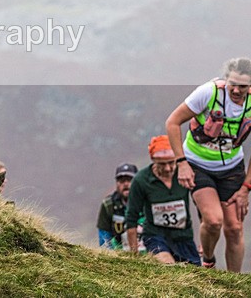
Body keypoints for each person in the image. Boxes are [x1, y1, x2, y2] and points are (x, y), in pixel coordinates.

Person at [165, 57, 251, 271]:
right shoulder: (208, 93)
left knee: (234, 228)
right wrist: (181, 163)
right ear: (226, 80)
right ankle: (208, 260)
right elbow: (173, 122)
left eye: (243, 86)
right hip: (197, 164)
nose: (237, 91)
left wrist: (246, 188)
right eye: (233, 84)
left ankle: (234, 283)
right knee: (213, 221)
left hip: (232, 169)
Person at [125, 135, 201, 266]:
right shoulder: (141, 180)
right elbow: (131, 218)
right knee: (168, 268)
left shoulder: (187, 173)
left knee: (196, 278)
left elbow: (202, 206)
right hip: (155, 236)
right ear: (153, 160)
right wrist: (134, 255)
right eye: (161, 164)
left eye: (171, 162)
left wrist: (205, 240)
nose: (167, 168)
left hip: (183, 237)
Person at [97, 163, 137, 250]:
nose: (126, 184)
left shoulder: (147, 202)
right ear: (117, 183)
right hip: (120, 253)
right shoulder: (108, 205)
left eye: (130, 180)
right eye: (122, 181)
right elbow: (104, 239)